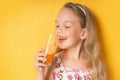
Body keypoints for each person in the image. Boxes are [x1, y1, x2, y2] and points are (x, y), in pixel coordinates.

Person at [34, 2, 107, 80]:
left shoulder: (94, 65)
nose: (58, 30)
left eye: (67, 26)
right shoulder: (53, 62)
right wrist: (40, 72)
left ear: (83, 34)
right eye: (57, 25)